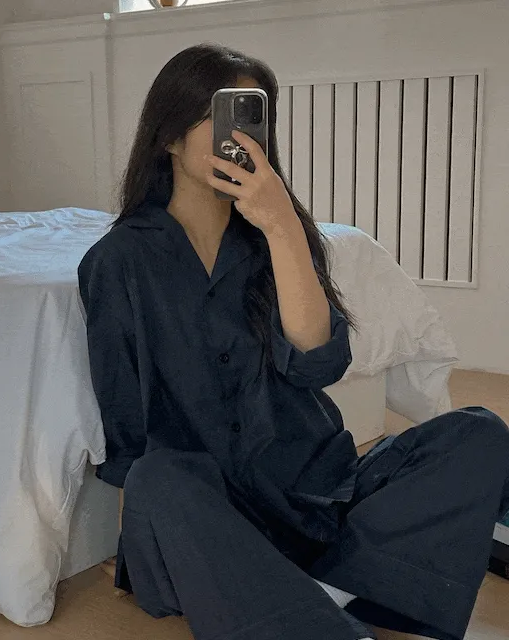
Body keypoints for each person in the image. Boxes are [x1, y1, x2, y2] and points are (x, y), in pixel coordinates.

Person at [78, 43, 509, 640]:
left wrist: (281, 225)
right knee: (159, 477)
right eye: (217, 116)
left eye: (250, 118)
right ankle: (328, 602)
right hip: (214, 512)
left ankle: (314, 593)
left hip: (315, 491)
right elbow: (125, 421)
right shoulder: (117, 261)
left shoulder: (281, 237)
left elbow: (317, 364)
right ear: (170, 135)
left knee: (479, 431)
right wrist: (146, 539)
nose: (237, 138)